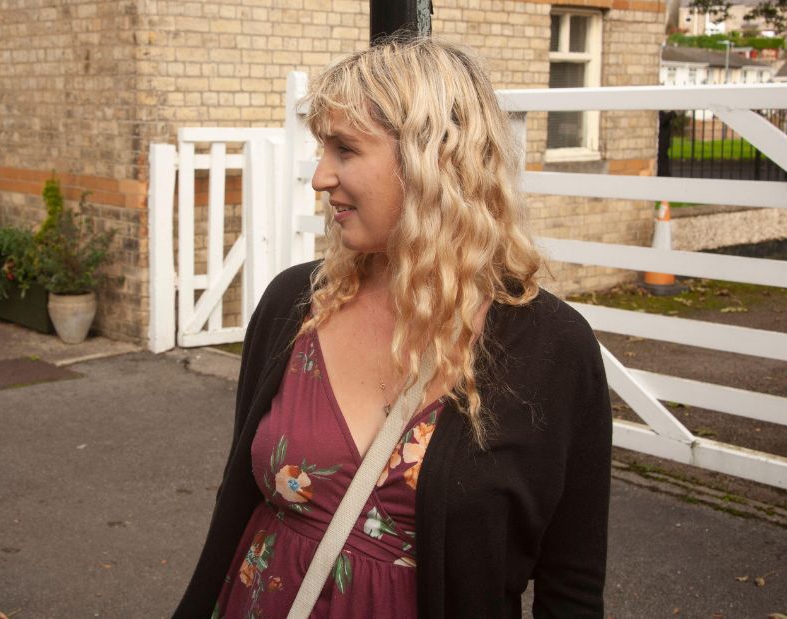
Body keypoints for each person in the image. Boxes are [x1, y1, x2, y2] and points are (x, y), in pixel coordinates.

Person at [171, 37, 612, 619]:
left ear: (432, 159)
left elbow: (571, 584)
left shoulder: (554, 348)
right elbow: (235, 503)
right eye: (321, 149)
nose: (320, 177)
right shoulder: (295, 306)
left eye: (345, 149)